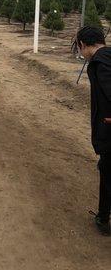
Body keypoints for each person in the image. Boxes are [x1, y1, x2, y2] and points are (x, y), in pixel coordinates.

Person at [75, 26, 111, 236]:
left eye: (79, 48)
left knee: (107, 173)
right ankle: (103, 216)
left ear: (82, 45)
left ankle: (103, 218)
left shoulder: (100, 64)